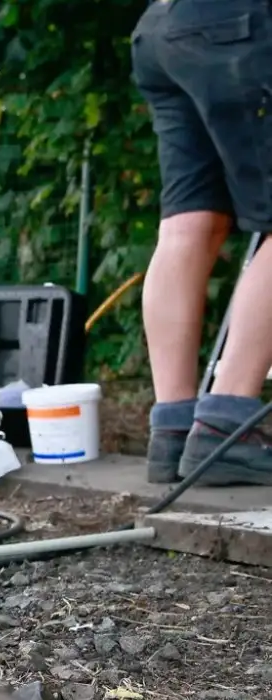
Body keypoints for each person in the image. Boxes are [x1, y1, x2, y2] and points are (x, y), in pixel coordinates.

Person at [132, 1, 272, 486]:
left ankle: (173, 427)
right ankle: (225, 425)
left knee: (189, 225)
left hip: (164, 27)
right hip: (238, 23)